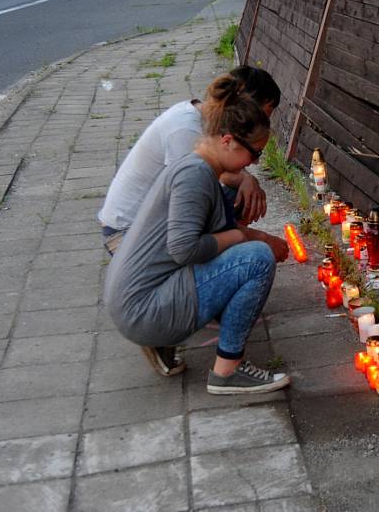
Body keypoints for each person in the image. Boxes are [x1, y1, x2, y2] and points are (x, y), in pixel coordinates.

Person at [104, 74, 290, 394]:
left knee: (245, 247)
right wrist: (245, 238)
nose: (254, 163)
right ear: (228, 140)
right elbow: (185, 249)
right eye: (254, 153)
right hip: (144, 309)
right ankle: (227, 371)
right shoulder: (194, 175)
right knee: (257, 259)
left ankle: (176, 338)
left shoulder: (199, 165)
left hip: (138, 300)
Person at [99, 65, 280, 256]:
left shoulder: (203, 119)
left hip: (152, 224)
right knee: (248, 256)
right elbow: (192, 195)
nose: (263, 125)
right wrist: (254, 238)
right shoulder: (185, 130)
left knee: (233, 191)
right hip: (127, 235)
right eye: (263, 116)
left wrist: (246, 179)